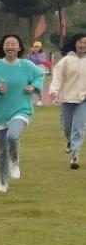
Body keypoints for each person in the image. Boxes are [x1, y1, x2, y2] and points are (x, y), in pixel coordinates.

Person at [0, 34, 43, 192]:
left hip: (21, 109)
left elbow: (39, 75)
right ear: (3, 47)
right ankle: (3, 181)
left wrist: (33, 87)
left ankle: (15, 161)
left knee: (12, 136)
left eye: (13, 44)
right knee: (2, 150)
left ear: (19, 47)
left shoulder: (27, 65)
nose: (10, 46)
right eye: (7, 44)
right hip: (1, 112)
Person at [48, 32, 86, 169]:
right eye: (80, 42)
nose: (83, 45)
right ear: (75, 44)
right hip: (68, 98)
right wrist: (54, 92)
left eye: (85, 43)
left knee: (79, 127)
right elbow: (57, 77)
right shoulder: (66, 60)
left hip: (83, 100)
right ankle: (69, 141)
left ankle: (75, 156)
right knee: (67, 127)